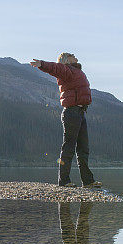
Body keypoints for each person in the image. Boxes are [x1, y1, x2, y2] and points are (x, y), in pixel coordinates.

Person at [31, 52, 102, 188]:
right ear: (66, 60)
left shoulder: (75, 71)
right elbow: (56, 68)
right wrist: (42, 64)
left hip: (80, 112)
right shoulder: (67, 70)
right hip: (72, 112)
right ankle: (63, 181)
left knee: (83, 148)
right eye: (71, 55)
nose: (75, 55)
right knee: (69, 147)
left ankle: (88, 181)